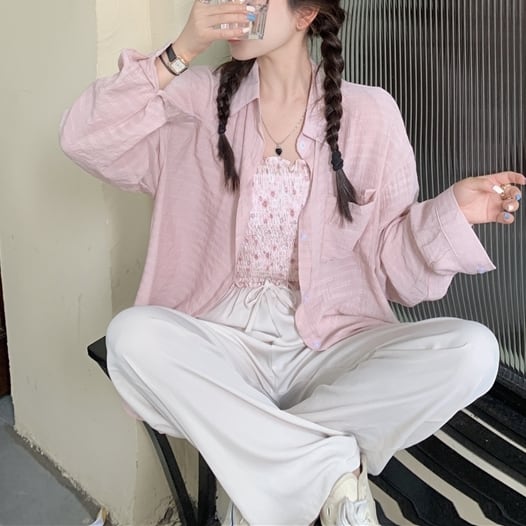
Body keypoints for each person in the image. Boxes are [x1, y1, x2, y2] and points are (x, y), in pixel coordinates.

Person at [60, 0, 525, 524]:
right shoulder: (194, 101)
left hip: (330, 340)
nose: (233, 5)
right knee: (132, 338)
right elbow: (83, 139)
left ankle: (262, 474)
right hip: (223, 342)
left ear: (305, 15)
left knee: (473, 352)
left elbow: (396, 274)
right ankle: (332, 469)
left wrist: (450, 214)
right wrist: (180, 51)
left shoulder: (371, 114)